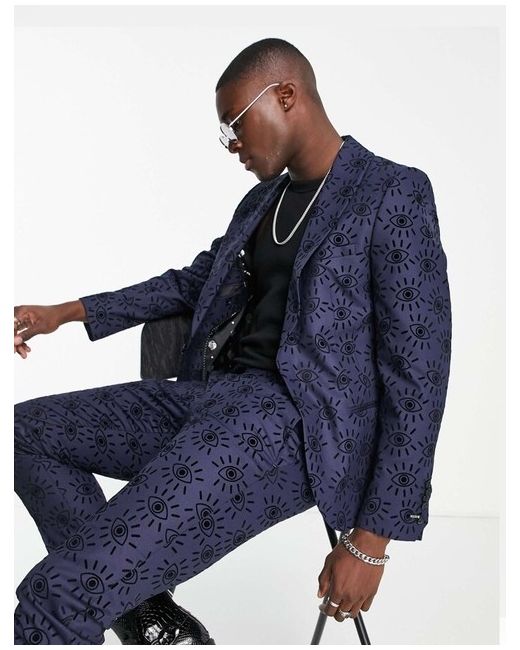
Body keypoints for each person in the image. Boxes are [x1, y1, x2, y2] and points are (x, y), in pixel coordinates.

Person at [13, 37, 452, 645]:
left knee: (54, 598)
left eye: (235, 124)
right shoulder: (261, 202)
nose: (231, 145)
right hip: (208, 399)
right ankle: (146, 616)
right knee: (22, 432)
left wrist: (372, 541)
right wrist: (70, 311)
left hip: (291, 429)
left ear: (286, 95)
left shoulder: (390, 192)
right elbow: (195, 282)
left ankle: (103, 599)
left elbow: (420, 370)